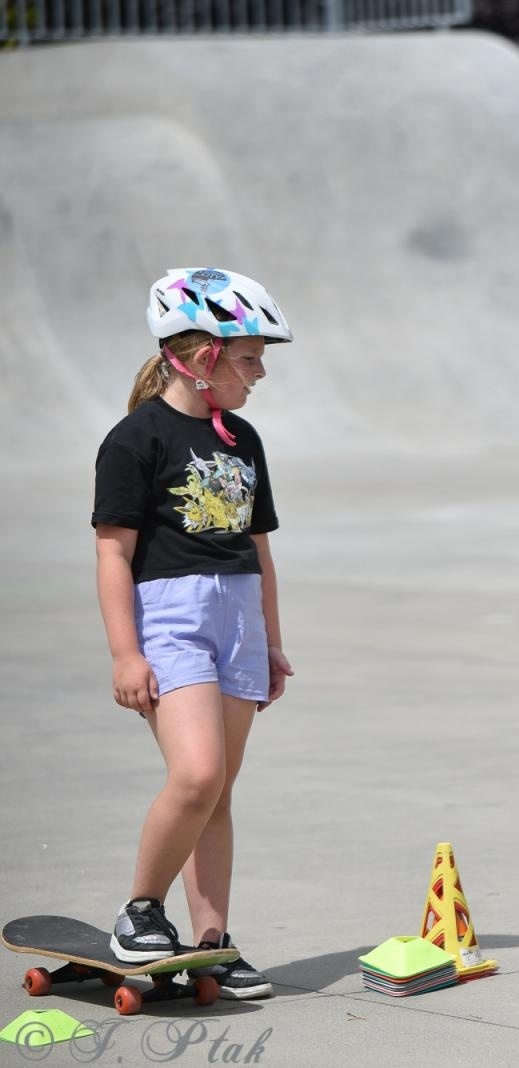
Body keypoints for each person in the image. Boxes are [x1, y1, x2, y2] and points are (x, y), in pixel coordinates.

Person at [93, 266, 295, 997]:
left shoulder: (243, 438)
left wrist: (270, 640)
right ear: (202, 355)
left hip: (238, 615)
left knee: (222, 791)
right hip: (171, 616)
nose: (261, 371)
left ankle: (212, 941)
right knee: (197, 774)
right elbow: (113, 551)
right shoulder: (135, 438)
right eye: (249, 357)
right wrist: (125, 652)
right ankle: (141, 909)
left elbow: (260, 548)